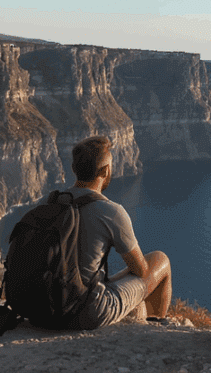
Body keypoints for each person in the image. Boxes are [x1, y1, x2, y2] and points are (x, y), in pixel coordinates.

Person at [66, 135, 172, 329]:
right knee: (160, 260)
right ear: (106, 171)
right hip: (84, 312)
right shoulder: (111, 211)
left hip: (44, 304)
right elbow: (141, 271)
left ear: (74, 169)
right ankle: (157, 330)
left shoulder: (50, 201)